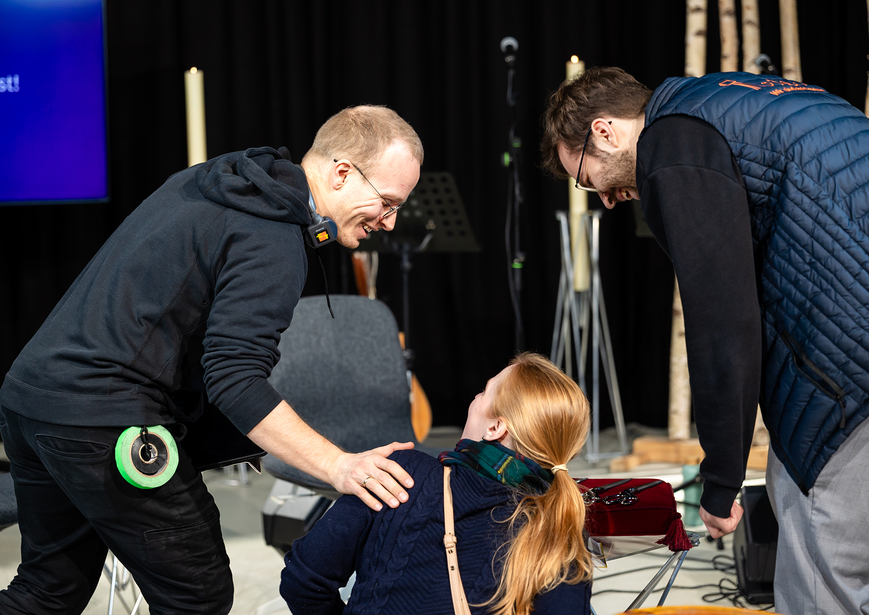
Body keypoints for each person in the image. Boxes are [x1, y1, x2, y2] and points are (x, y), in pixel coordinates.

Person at [0, 105, 424, 614]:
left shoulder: (223, 179)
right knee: (197, 596)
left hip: (30, 401)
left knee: (47, 589)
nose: (390, 222)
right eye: (387, 202)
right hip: (100, 419)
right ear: (342, 173)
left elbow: (173, 328)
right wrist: (339, 466)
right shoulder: (272, 235)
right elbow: (234, 378)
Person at [541, 66, 869, 615]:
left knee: (822, 580)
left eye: (585, 177)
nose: (605, 199)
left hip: (846, 375)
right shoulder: (728, 99)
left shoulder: (674, 142)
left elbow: (722, 321)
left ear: (604, 131)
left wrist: (719, 481)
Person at [279, 352, 593, 615]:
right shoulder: (561, 527)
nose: (475, 397)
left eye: (484, 392)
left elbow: (302, 581)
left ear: (496, 428)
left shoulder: (398, 474)